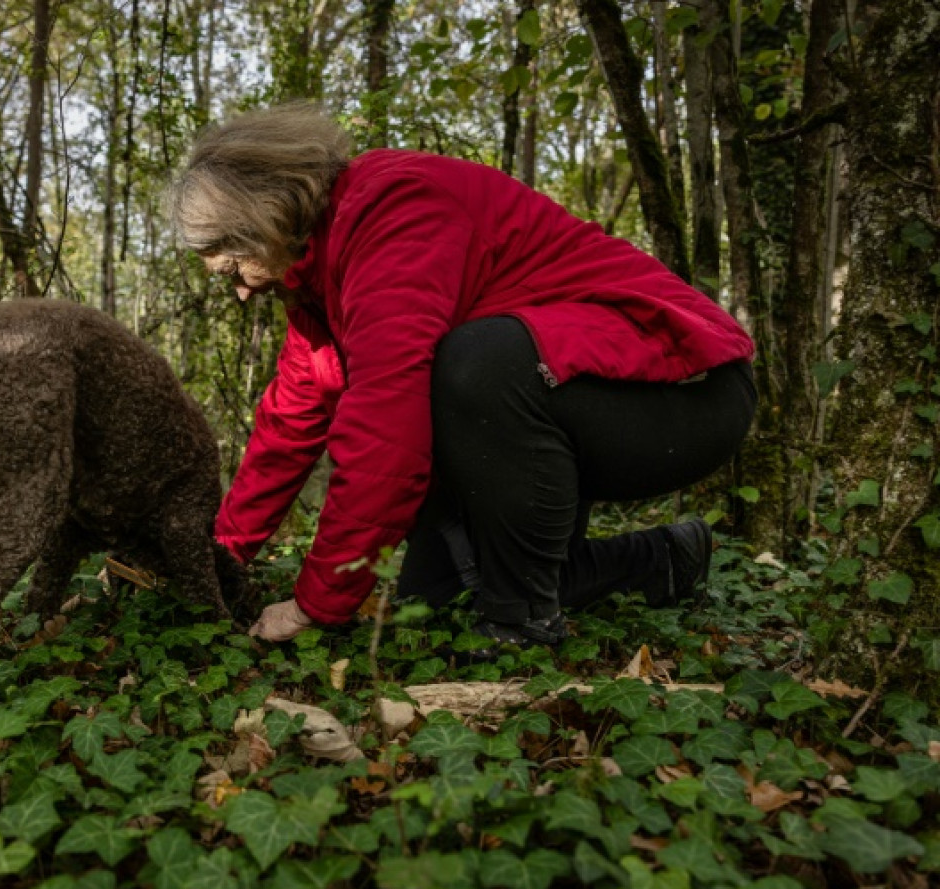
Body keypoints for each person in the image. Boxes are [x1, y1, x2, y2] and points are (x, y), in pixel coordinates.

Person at [172, 105, 757, 647]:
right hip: (563, 395)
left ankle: (519, 618)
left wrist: (315, 606)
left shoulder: (392, 212)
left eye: (235, 269)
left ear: (268, 217)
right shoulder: (317, 290)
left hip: (683, 395)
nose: (243, 291)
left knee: (472, 360)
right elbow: (288, 426)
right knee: (431, 604)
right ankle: (664, 560)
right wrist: (219, 556)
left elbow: (385, 432)